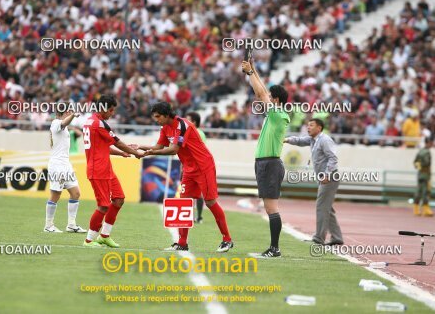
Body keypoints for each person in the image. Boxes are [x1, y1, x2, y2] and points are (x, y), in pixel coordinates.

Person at [137, 102, 233, 253]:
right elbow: (159, 147)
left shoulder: (182, 125)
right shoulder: (165, 127)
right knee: (184, 203)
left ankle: (227, 239)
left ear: (167, 115)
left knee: (210, 202)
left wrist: (150, 153)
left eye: (158, 116)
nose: (156, 120)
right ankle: (182, 243)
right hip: (189, 169)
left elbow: (174, 150)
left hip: (203, 167)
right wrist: (140, 147)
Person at [242, 59, 290, 258]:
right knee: (270, 207)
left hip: (270, 163)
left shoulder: (279, 114)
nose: (266, 98)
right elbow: (262, 91)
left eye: (271, 97)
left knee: (271, 208)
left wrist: (250, 72)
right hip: (265, 163)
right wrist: (253, 72)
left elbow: (261, 93)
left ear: (276, 100)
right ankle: (273, 248)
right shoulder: (275, 113)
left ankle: (275, 248)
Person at [82, 94, 144, 248]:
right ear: (105, 109)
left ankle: (104, 236)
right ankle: (88, 240)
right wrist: (135, 153)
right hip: (98, 169)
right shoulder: (99, 124)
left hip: (105, 167)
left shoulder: (90, 121)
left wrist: (122, 153)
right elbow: (118, 142)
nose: (112, 114)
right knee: (103, 205)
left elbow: (103, 146)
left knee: (118, 199)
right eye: (111, 111)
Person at [284, 118, 344, 245]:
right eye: (308, 125)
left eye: (311, 125)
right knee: (327, 208)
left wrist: (327, 174)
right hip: (325, 177)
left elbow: (333, 158)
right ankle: (337, 237)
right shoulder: (313, 139)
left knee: (321, 206)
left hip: (330, 177)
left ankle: (318, 238)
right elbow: (300, 140)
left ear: (319, 128)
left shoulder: (325, 140)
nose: (308, 127)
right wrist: (287, 139)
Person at [44, 108, 86, 233]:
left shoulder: (65, 127)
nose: (69, 113)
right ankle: (48, 225)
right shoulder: (56, 123)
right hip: (57, 165)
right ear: (60, 113)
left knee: (76, 193)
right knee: (56, 194)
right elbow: (64, 123)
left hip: (66, 164)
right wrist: (73, 115)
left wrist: (71, 117)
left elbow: (66, 124)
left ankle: (71, 225)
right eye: (68, 112)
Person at [186, 111, 206, 223]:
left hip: (195, 167)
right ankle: (197, 216)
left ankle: (196, 216)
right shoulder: (200, 132)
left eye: (188, 119)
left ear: (194, 122)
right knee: (195, 194)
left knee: (194, 193)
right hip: (193, 166)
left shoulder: (197, 133)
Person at [413, 137, 434, 216]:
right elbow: (426, 163)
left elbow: (415, 163)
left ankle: (416, 209)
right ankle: (426, 209)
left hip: (420, 174)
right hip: (426, 175)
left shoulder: (420, 151)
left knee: (418, 191)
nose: (432, 144)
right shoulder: (427, 152)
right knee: (426, 192)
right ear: (428, 143)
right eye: (431, 142)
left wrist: (419, 167)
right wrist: (422, 166)